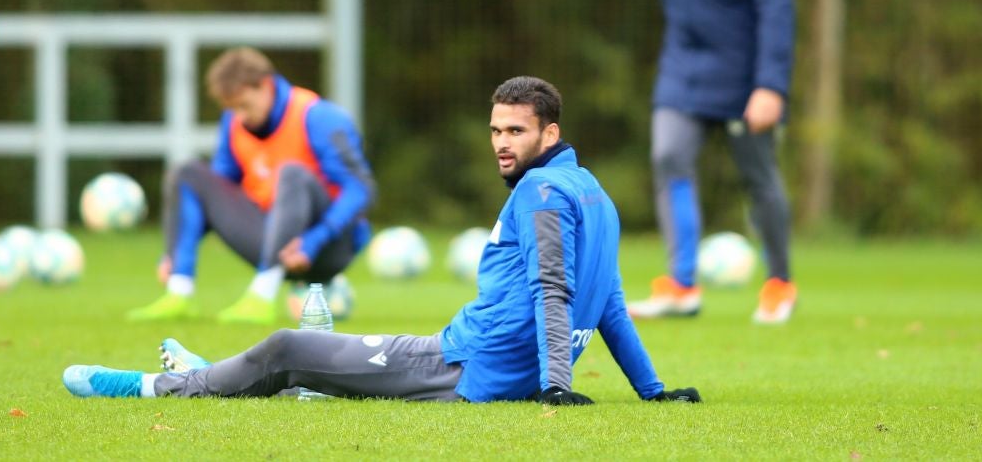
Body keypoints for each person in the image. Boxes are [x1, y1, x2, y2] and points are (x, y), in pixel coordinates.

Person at [63, 76, 702, 405]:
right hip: (473, 361)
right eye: (495, 129)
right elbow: (610, 302)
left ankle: (153, 387)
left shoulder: (539, 195)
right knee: (313, 364)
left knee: (290, 344)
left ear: (550, 132)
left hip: (456, 368)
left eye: (515, 131)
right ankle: (215, 374)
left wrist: (557, 387)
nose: (501, 142)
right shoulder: (597, 194)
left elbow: (555, 290)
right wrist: (652, 391)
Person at [627, 0, 798, 325]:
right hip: (682, 68)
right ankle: (681, 286)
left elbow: (776, 10)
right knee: (668, 157)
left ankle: (779, 284)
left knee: (758, 176)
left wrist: (770, 85)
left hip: (745, 76)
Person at [126, 47, 375, 325]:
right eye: (232, 108)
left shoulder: (319, 116)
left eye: (244, 105)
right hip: (269, 236)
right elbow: (220, 190)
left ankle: (261, 296)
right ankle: (178, 290)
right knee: (187, 173)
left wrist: (314, 239)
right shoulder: (233, 122)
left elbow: (360, 188)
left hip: (328, 248)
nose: (240, 116)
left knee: (292, 174)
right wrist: (175, 251)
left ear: (266, 85)